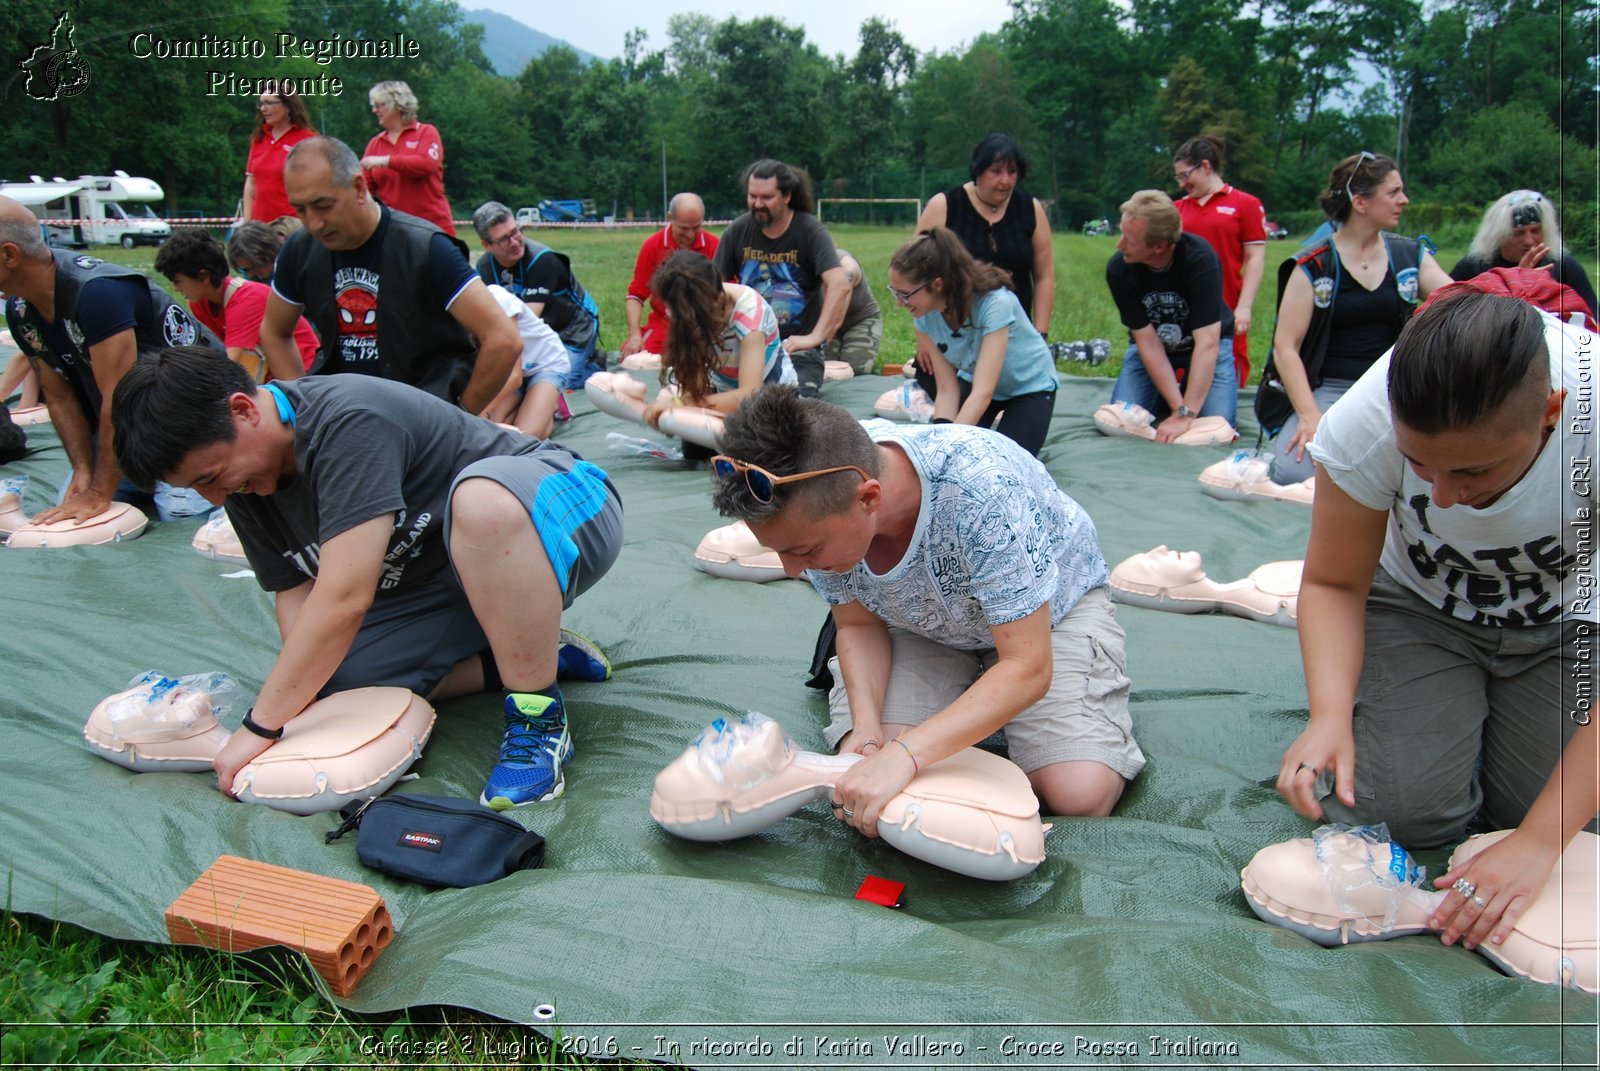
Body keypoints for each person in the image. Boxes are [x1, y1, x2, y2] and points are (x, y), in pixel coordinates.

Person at [111, 347, 624, 809]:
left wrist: (260, 725)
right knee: (340, 681)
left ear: (244, 411)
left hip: (559, 508)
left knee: (481, 500)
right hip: (448, 571)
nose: (215, 499)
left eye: (209, 477)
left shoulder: (346, 421)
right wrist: (308, 701)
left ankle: (537, 715)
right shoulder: (246, 480)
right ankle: (531, 649)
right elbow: (298, 592)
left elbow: (344, 598)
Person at [1276, 288, 1594, 956]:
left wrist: (1538, 842)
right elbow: (1334, 581)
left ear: (1551, 415)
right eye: (1420, 465)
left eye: (1475, 470)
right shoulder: (1365, 419)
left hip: (1568, 625)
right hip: (1422, 610)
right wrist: (1328, 712)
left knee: (1539, 813)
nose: (1444, 496)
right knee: (1401, 811)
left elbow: (1543, 832)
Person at [709, 386, 1145, 826]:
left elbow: (1028, 666)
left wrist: (908, 753)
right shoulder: (816, 492)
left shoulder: (983, 493)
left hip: (1048, 620)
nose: (792, 569)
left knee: (1078, 793)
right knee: (870, 771)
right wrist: (866, 727)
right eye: (780, 551)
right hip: (917, 620)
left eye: (803, 550)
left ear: (870, 498)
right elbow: (858, 625)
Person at [0, 194, 221, 523]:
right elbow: (59, 396)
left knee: (180, 517)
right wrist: (84, 472)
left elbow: (117, 400)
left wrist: (100, 493)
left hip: (196, 427)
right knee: (71, 505)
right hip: (134, 432)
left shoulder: (98, 293)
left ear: (8, 254)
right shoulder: (20, 310)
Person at [261, 137, 519, 413]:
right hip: (343, 415)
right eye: (300, 210)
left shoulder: (428, 248)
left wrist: (459, 415)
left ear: (359, 188)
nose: (313, 223)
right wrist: (306, 409)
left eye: (323, 206)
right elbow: (274, 332)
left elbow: (503, 339)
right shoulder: (299, 250)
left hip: (422, 415)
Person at [1263, 152, 1450, 484]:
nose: (1404, 201)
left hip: (1393, 385)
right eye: (1393, 192)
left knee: (1421, 473)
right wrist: (1309, 416)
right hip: (1329, 388)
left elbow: (1458, 304)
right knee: (1293, 473)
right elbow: (1285, 347)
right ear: (1360, 202)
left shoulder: (1408, 255)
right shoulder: (1314, 265)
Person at [887, 228, 1057, 456]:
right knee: (953, 450)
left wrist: (951, 449)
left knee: (1004, 460)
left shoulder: (995, 304)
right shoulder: (924, 313)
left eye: (905, 294)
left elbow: (982, 394)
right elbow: (947, 389)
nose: (900, 303)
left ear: (937, 285)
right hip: (975, 382)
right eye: (895, 292)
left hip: (1028, 387)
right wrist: (941, 440)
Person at [1105, 190, 1237, 441]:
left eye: (1129, 240)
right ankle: (1175, 396)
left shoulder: (1200, 258)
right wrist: (1180, 410)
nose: (1119, 245)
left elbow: (1208, 344)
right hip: (1155, 349)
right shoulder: (1118, 270)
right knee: (1119, 422)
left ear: (1160, 246)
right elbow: (1148, 343)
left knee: (1218, 429)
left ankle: (1189, 393)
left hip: (1204, 345)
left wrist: (1186, 415)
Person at [713, 159, 849, 398]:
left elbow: (839, 284)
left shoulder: (810, 231)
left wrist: (815, 337)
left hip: (794, 349)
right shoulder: (737, 230)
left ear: (786, 196)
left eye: (766, 197)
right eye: (752, 196)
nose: (757, 204)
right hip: (746, 345)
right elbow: (712, 288)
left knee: (791, 406)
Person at [640, 251, 793, 436]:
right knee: (694, 447)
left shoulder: (750, 315)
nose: (672, 314)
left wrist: (682, 405)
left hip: (769, 395)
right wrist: (682, 407)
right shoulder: (688, 308)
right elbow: (694, 384)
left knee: (758, 441)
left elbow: (749, 395)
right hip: (725, 389)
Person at [916, 134, 1054, 336]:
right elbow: (919, 274)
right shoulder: (945, 205)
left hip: (1014, 330)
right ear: (978, 170)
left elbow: (1044, 276)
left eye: (1012, 172)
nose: (1005, 180)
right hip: (955, 333)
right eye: (996, 172)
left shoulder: (1030, 209)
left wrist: (1040, 332)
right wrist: (924, 336)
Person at [154, 228, 319, 380]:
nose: (176, 288)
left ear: (203, 276)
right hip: (268, 375)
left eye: (177, 281)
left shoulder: (247, 299)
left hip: (304, 371)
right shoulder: (199, 304)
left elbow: (228, 364)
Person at [471, 201, 602, 389]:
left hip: (573, 330)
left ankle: (594, 367)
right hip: (535, 331)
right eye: (504, 239)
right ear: (487, 245)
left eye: (516, 231)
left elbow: (529, 318)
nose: (515, 242)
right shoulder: (484, 267)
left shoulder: (543, 260)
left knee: (559, 382)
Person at [1172, 135, 1266, 385]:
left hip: (1226, 303)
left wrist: (1244, 307)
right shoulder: (1176, 209)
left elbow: (1255, 258)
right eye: (1178, 177)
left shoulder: (1245, 204)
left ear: (1205, 166)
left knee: (1226, 372)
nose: (1182, 184)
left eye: (1185, 175)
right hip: (1185, 307)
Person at [1450, 190, 1596, 320]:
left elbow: (1593, 319)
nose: (1529, 240)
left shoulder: (1564, 267)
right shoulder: (1473, 267)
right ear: (1499, 235)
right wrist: (1517, 282)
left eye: (1535, 231)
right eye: (1519, 233)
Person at [621, 193, 718, 358]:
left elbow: (728, 295)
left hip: (705, 324)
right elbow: (635, 295)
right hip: (664, 324)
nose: (690, 235)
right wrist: (635, 336)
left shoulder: (715, 246)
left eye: (696, 227)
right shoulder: (653, 246)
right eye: (684, 228)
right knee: (633, 358)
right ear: (670, 218)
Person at [360, 80, 456, 235]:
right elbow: (364, 190)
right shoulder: (374, 144)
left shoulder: (427, 132)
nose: (374, 110)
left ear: (397, 105)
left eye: (379, 105)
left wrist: (387, 161)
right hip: (395, 232)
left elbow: (426, 164)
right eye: (373, 106)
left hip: (433, 227)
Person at [479, 283, 571, 439]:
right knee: (494, 429)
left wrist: (482, 413)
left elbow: (515, 377)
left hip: (545, 364)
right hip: (510, 370)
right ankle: (536, 404)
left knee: (526, 438)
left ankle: (548, 408)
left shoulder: (497, 298)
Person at [241, 81, 317, 223]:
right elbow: (251, 184)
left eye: (269, 103)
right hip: (260, 227)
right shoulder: (259, 139)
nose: (263, 109)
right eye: (261, 104)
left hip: (293, 226)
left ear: (287, 106)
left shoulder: (307, 139)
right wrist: (247, 223)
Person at [826, 249, 883, 375]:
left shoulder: (847, 266)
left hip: (860, 319)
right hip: (824, 321)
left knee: (856, 369)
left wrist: (818, 343)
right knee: (825, 370)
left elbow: (836, 316)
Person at [228, 218, 295, 283]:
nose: (250, 275)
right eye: (245, 269)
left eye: (255, 268)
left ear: (270, 254)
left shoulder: (298, 251)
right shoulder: (249, 264)